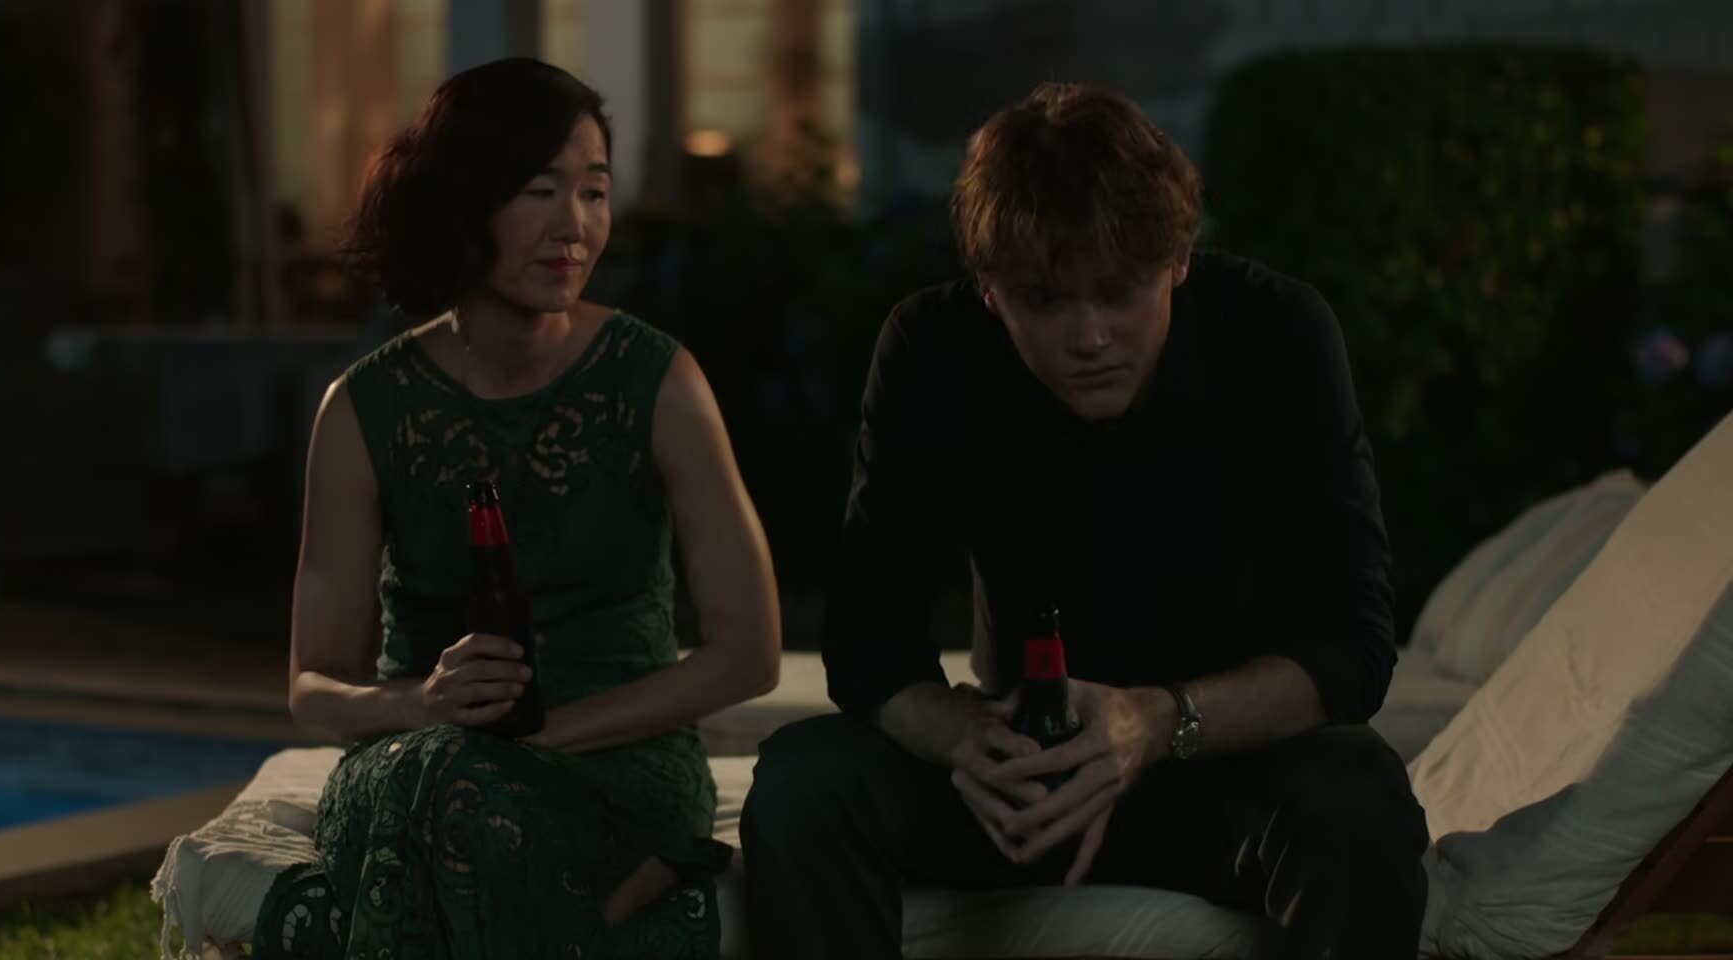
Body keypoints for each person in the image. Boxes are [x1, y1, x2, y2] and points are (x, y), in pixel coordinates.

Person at [740, 80, 1430, 960]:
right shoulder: (931, 345)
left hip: (1220, 765)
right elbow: (868, 643)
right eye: (1045, 300)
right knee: (805, 781)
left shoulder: (1276, 332)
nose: (1090, 336)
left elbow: (1354, 649)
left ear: (1178, 261)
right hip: (1018, 772)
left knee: (1360, 797)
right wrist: (966, 742)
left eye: (1121, 292)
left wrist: (1156, 721)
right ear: (990, 291)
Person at [259, 57, 781, 960]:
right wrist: (424, 703)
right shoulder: (362, 409)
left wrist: (547, 736)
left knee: (459, 802)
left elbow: (750, 652)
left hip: (620, 761)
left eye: (595, 192)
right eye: (541, 191)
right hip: (419, 755)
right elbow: (315, 685)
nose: (574, 226)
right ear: (465, 202)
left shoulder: (657, 380)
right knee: (449, 787)